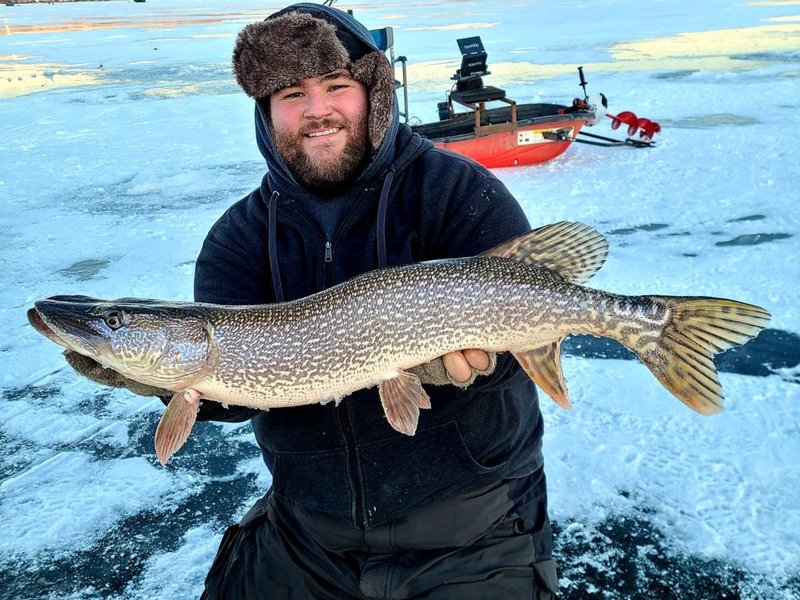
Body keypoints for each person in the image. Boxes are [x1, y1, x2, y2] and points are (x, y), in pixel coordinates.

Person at [66, 3, 559, 598]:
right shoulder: (240, 237)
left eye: (335, 85)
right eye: (292, 94)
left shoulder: (456, 191)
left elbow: (525, 319)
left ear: (372, 92)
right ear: (266, 111)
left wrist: (475, 361)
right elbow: (235, 399)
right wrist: (160, 380)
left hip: (477, 523)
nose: (317, 110)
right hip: (309, 531)